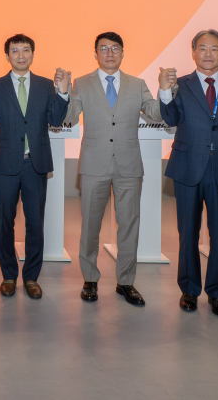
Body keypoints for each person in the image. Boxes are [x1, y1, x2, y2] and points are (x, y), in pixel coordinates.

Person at [61, 32, 162, 306]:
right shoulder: (81, 83)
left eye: (115, 48)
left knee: (129, 225)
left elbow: (156, 114)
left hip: (129, 165)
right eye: (103, 48)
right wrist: (62, 92)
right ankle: (90, 279)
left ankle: (126, 282)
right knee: (90, 225)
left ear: (123, 52)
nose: (109, 53)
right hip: (94, 164)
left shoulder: (137, 84)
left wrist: (165, 91)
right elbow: (68, 118)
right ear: (95, 53)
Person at [159, 29, 218, 317]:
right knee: (187, 231)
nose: (208, 54)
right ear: (193, 53)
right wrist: (164, 90)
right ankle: (189, 290)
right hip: (188, 167)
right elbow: (170, 119)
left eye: (214, 49)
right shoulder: (180, 85)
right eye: (202, 48)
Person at [0, 34, 70, 298]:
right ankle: (8, 275)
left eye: (25, 50)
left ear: (33, 54)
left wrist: (63, 91)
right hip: (6, 165)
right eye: (14, 50)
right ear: (7, 56)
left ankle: (31, 277)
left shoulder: (45, 85)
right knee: (5, 222)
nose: (20, 55)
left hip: (35, 165)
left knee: (35, 223)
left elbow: (56, 119)